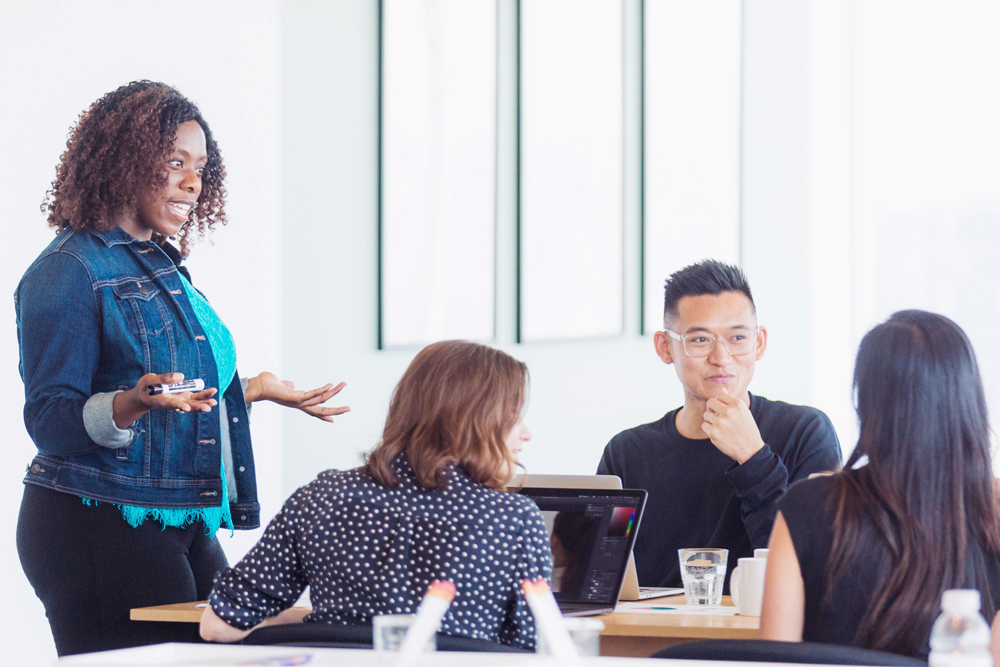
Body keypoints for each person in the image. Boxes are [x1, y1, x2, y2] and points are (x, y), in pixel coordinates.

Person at [15, 81, 349, 657]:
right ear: (125, 161)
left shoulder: (159, 265)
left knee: (226, 648)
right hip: (98, 521)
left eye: (200, 166)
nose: (193, 183)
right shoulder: (67, 270)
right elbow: (50, 418)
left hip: (177, 513)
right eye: (175, 163)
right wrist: (130, 403)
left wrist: (247, 391)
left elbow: (171, 391)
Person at [199, 340, 553, 650]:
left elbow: (217, 626)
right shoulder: (513, 518)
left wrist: (326, 628)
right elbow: (531, 648)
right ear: (477, 419)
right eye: (514, 417)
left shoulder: (323, 497)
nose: (527, 434)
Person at [760, 310, 1000, 661]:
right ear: (968, 403)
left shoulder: (807, 506)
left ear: (865, 404)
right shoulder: (992, 511)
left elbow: (770, 659)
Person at [597, 260, 841, 589]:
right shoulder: (626, 453)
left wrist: (754, 459)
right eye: (700, 340)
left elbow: (810, 568)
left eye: (738, 337)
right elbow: (601, 568)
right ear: (665, 346)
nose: (722, 357)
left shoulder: (806, 433)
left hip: (754, 636)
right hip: (649, 634)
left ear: (760, 342)